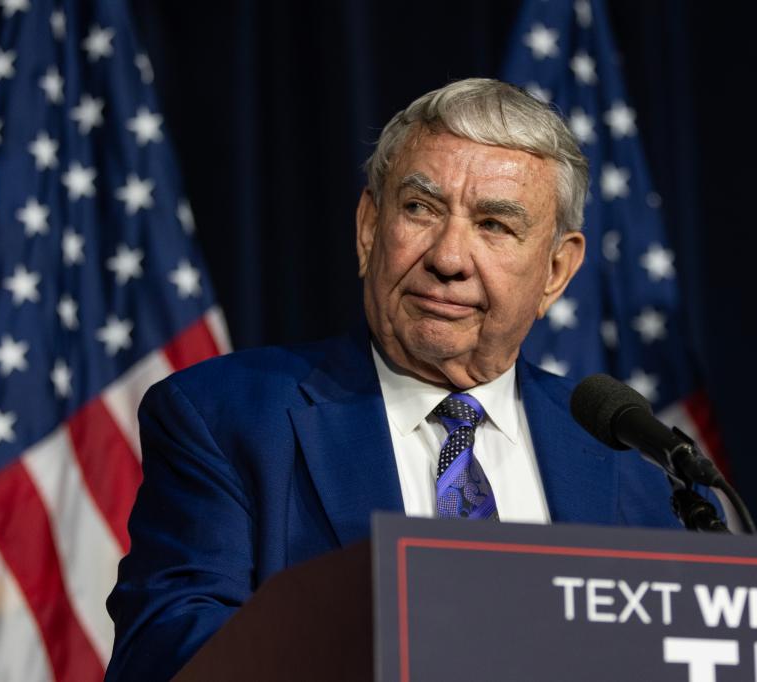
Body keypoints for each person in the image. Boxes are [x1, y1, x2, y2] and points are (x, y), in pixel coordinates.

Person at [105, 78, 706, 680]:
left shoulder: (641, 467)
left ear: (555, 270)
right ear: (369, 228)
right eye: (421, 209)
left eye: (495, 225)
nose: (448, 258)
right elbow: (165, 655)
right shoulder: (225, 419)